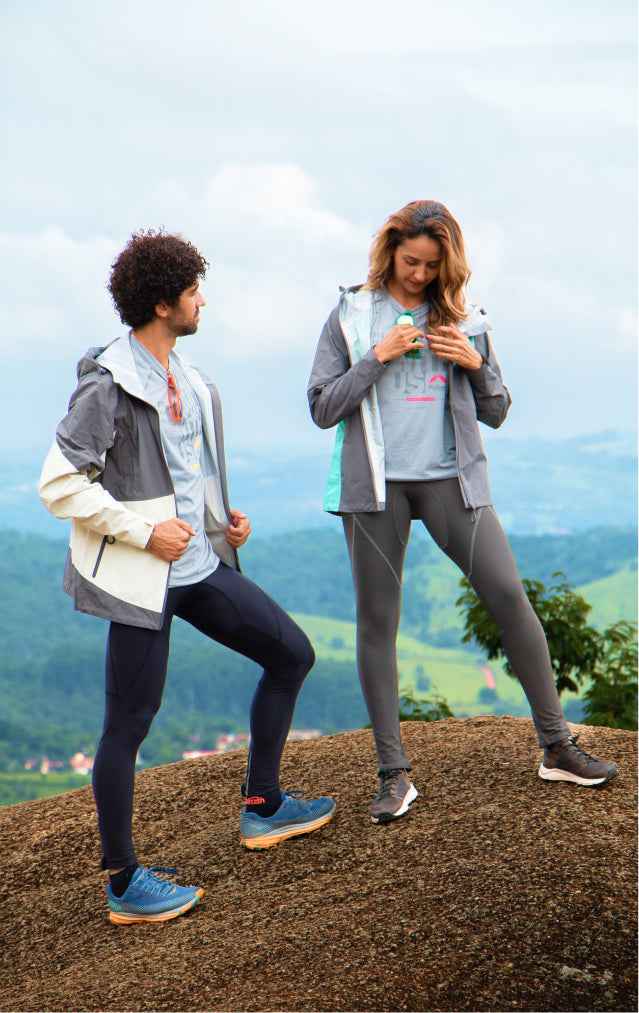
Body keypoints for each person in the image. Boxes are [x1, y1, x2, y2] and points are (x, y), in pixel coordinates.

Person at [39, 229, 335, 924]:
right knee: (129, 724)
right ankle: (123, 882)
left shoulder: (191, 380)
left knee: (291, 654)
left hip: (198, 566)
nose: (204, 301)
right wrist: (144, 533)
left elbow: (182, 473)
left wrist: (219, 523)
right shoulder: (107, 385)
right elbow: (58, 485)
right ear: (163, 303)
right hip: (141, 580)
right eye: (195, 290)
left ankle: (263, 804)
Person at [307, 199, 618, 825]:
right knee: (377, 623)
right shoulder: (352, 315)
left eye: (431, 265)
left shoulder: (465, 317)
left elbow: (497, 410)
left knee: (509, 597)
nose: (419, 275)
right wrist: (377, 357)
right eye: (410, 261)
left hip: (453, 483)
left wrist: (474, 364)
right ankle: (393, 774)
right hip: (376, 490)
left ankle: (557, 746)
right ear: (390, 251)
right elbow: (321, 407)